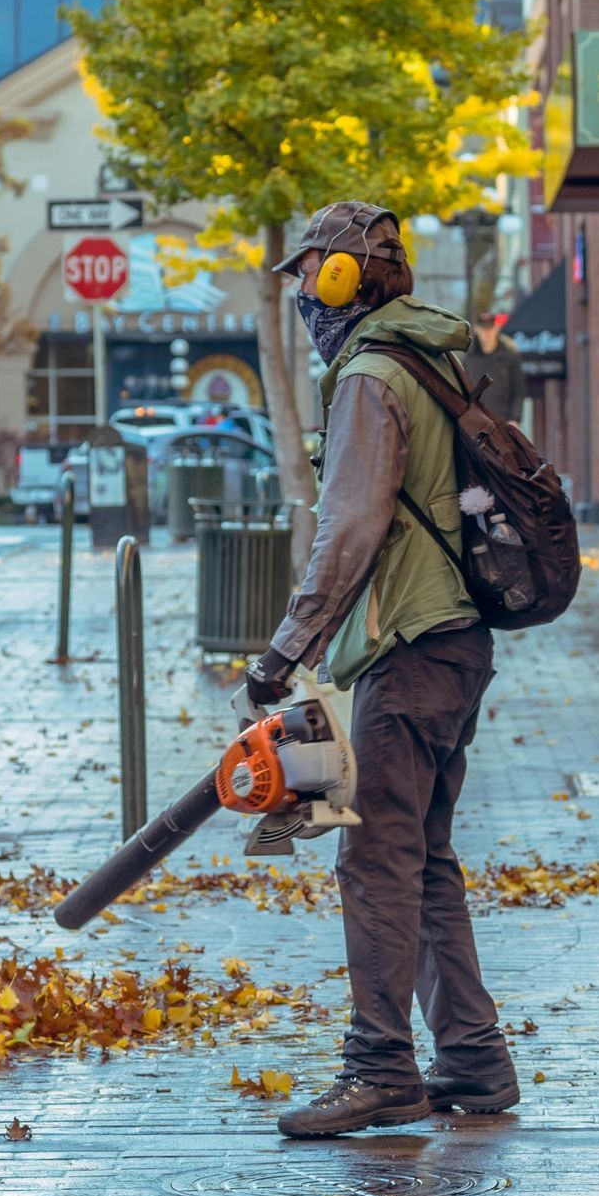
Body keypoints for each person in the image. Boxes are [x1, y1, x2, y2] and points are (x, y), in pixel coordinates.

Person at [244, 201, 519, 1137]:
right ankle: (475, 1061)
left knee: (375, 860)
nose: (302, 303)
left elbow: (351, 525)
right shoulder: (425, 356)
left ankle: (380, 1070)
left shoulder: (369, 375)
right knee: (423, 854)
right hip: (455, 643)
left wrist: (288, 647)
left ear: (340, 278)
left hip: (412, 647)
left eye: (309, 278)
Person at [463, 311, 528, 424]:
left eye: (491, 328)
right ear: (477, 329)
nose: (487, 333)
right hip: (475, 423)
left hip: (502, 423)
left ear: (497, 328)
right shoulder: (468, 359)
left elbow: (519, 392)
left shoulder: (510, 357)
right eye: (484, 329)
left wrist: (515, 419)